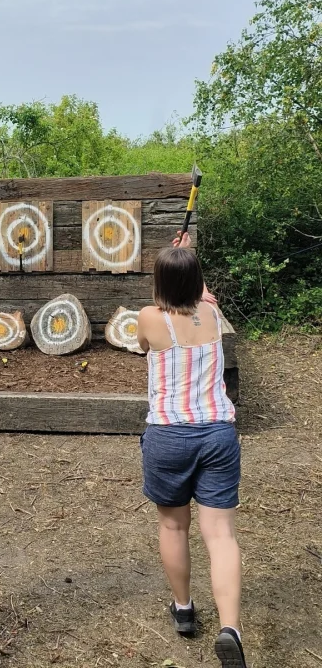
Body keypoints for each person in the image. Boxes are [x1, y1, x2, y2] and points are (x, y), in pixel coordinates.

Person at [137, 234, 246, 668]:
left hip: (168, 437)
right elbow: (197, 298)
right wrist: (187, 262)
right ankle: (230, 628)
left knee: (174, 527)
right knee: (220, 535)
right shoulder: (214, 315)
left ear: (160, 283)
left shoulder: (149, 317)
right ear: (200, 282)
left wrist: (174, 266)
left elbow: (147, 338)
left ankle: (184, 609)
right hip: (217, 434)